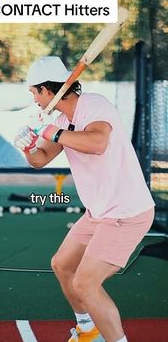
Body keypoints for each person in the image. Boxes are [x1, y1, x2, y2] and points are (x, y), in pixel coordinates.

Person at [14, 56, 155, 342]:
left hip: (126, 214)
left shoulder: (94, 105)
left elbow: (97, 143)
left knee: (86, 284)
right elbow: (41, 159)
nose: (34, 101)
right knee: (62, 265)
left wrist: (52, 132)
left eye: (34, 93)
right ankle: (88, 330)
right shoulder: (62, 119)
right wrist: (29, 148)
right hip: (98, 213)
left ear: (48, 90)